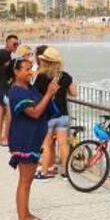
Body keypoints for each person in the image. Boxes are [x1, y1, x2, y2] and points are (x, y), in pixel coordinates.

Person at [7, 58, 60, 220]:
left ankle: (26, 214)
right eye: (27, 69)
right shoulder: (16, 92)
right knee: (24, 182)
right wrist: (49, 93)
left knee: (28, 182)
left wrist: (49, 92)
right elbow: (35, 112)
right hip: (24, 140)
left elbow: (42, 106)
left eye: (32, 69)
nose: (31, 72)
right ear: (16, 72)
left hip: (32, 139)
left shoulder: (29, 88)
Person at [33, 47, 76, 179]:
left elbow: (35, 96)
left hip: (47, 115)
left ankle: (44, 171)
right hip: (62, 114)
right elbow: (74, 93)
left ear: (45, 61)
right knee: (63, 143)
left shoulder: (41, 77)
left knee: (47, 144)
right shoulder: (66, 76)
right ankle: (66, 172)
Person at [0, 35, 19, 145]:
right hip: (4, 88)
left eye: (17, 44)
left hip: (0, 86)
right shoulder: (4, 54)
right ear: (7, 43)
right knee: (9, 113)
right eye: (14, 44)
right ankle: (5, 138)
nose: (16, 46)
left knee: (1, 112)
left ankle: (0, 138)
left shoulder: (4, 54)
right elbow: (9, 70)